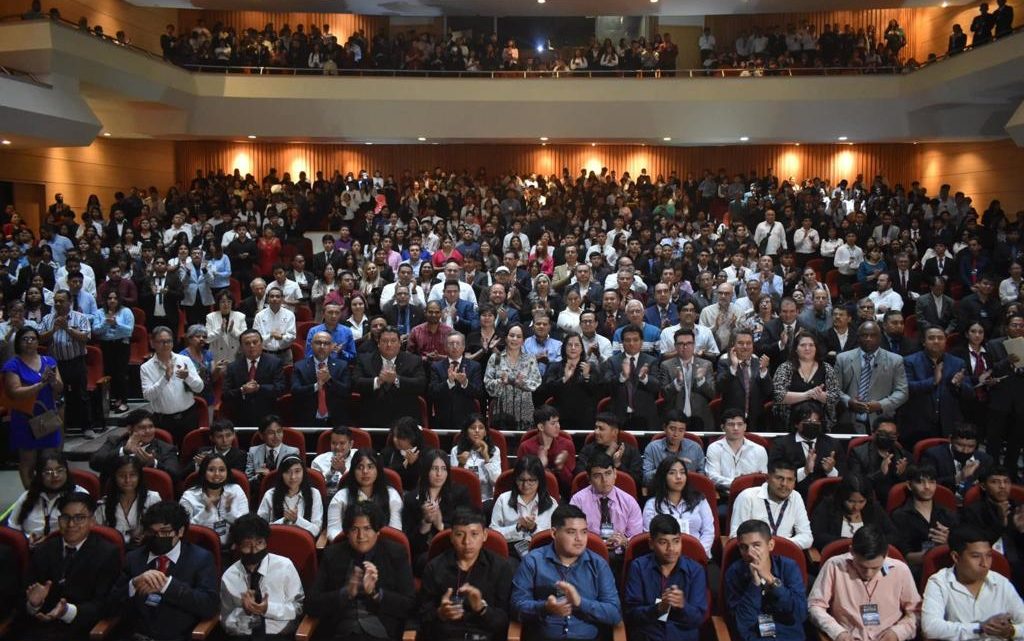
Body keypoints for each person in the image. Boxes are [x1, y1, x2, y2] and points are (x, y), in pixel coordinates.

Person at [306, 501, 416, 641]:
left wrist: (376, 594)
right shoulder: (332, 554)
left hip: (381, 632)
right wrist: (345, 593)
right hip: (339, 632)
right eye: (354, 529)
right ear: (346, 532)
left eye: (367, 528)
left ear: (378, 531)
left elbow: (410, 605)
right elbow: (311, 604)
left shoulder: (395, 553)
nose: (361, 536)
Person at [111, 501, 219, 641]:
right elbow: (109, 605)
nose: (158, 537)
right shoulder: (134, 558)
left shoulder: (201, 559)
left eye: (165, 532)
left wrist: (167, 586)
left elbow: (209, 606)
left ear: (179, 531)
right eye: (152, 532)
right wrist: (133, 584)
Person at [510, 504, 622, 639]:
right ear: (554, 533)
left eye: (584, 531)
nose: (579, 538)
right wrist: (545, 608)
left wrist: (580, 603)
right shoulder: (533, 561)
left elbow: (614, 614)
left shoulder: (598, 565)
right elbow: (516, 608)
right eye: (571, 532)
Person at [23, 491, 121, 641]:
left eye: (79, 518)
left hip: (80, 630)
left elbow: (105, 605)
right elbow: (22, 596)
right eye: (65, 517)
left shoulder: (107, 554)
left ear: (92, 521)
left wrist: (67, 611)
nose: (71, 524)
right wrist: (33, 604)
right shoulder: (44, 549)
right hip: (38, 628)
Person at [808, 525, 921, 641]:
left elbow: (915, 611)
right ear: (851, 551)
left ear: (886, 554)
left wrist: (898, 633)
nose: (868, 573)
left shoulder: (900, 570)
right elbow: (815, 606)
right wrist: (838, 632)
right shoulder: (834, 566)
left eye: (875, 568)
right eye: (862, 567)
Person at [419, 507, 515, 640]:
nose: (467, 542)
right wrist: (440, 614)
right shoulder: (434, 567)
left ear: (485, 535)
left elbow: (504, 621)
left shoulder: (501, 568)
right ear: (451, 536)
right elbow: (422, 616)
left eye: (474, 534)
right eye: (460, 534)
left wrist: (481, 608)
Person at [922, 524, 1024, 641]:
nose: (984, 563)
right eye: (976, 556)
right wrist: (980, 628)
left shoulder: (1001, 582)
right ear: (955, 557)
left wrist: (1012, 631)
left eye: (989, 556)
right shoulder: (939, 582)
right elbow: (930, 628)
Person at [624, 513, 709, 641]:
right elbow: (631, 614)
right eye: (663, 542)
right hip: (648, 635)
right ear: (651, 544)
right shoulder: (639, 567)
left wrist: (682, 606)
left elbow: (698, 619)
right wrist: (658, 609)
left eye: (676, 541)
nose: (671, 549)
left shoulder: (695, 571)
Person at [220, 514, 305, 639]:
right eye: (247, 545)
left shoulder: (285, 566)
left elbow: (299, 608)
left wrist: (267, 609)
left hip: (280, 636)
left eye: (259, 543)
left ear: (266, 541)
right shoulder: (229, 577)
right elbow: (225, 621)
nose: (254, 550)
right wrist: (245, 613)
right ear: (237, 546)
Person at [724, 518, 808, 641]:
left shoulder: (788, 567)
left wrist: (771, 579)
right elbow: (742, 623)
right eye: (743, 547)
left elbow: (800, 614)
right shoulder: (734, 572)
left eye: (756, 545)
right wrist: (755, 584)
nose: (749, 553)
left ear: (770, 545)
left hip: (789, 636)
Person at [3, 326, 63, 487]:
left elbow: (59, 388)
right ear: (19, 342)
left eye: (33, 338)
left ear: (38, 341)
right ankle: (30, 495)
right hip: (25, 418)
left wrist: (52, 381)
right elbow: (15, 392)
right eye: (25, 339)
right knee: (27, 461)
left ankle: (48, 492)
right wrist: (40, 384)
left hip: (47, 416)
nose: (29, 342)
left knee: (50, 460)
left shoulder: (48, 361)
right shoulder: (12, 365)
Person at [402, 449, 470, 573]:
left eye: (443, 469)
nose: (439, 474)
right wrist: (425, 523)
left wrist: (441, 526)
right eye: (434, 469)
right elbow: (410, 544)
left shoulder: (460, 494)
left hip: (454, 550)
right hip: (423, 555)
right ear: (426, 471)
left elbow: (466, 530)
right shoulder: (411, 499)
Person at [569, 451, 644, 564]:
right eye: (597, 475)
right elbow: (572, 534)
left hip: (621, 558)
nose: (604, 480)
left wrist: (624, 541)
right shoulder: (578, 501)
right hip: (587, 557)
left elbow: (636, 537)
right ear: (589, 479)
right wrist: (598, 544)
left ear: (615, 473)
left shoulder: (629, 502)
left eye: (608, 473)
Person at [835, 321, 909, 433]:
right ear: (858, 338)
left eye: (873, 335)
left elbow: (902, 392)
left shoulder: (895, 360)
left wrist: (881, 405)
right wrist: (848, 401)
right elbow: (834, 389)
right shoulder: (842, 358)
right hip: (848, 420)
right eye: (864, 335)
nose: (868, 338)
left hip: (881, 421)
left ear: (880, 338)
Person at [900, 328, 968, 447]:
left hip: (948, 425)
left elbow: (970, 393)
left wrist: (959, 385)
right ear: (924, 342)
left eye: (940, 338)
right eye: (931, 338)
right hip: (917, 424)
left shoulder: (958, 363)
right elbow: (906, 388)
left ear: (945, 341)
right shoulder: (909, 361)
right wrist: (933, 381)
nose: (936, 341)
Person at [39, 289, 93, 437]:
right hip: (56, 364)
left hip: (76, 361)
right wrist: (53, 330)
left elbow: (86, 337)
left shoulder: (80, 317)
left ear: (70, 302)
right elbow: (40, 339)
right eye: (56, 301)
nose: (58, 304)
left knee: (82, 395)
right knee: (56, 397)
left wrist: (67, 329)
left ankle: (86, 427)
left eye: (61, 301)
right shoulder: (47, 319)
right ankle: (59, 430)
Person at [960, 466, 1024, 587]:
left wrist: (1021, 531)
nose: (1002, 486)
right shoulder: (973, 511)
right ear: (983, 486)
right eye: (995, 482)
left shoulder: (1019, 510)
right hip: (986, 563)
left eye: (1006, 482)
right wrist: (1001, 523)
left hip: (1017, 564)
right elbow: (977, 544)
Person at [729, 459, 813, 550]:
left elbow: (807, 537)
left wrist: (779, 544)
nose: (784, 484)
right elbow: (735, 536)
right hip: (753, 554)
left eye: (790, 479)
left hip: (784, 554)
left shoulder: (796, 497)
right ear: (767, 478)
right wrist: (764, 546)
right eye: (779, 478)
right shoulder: (747, 497)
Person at [140, 325, 204, 444]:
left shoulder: (184, 360)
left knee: (190, 453)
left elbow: (199, 388)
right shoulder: (146, 368)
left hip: (188, 417)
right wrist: (165, 378)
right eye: (161, 341)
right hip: (163, 421)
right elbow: (148, 396)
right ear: (152, 343)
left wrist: (188, 377)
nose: (166, 345)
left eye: (169, 341)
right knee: (167, 457)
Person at [354, 325, 427, 428]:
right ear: (378, 343)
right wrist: (378, 381)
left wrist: (396, 380)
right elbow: (355, 382)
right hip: (372, 420)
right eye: (384, 341)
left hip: (405, 420)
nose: (389, 345)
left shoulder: (413, 360)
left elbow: (421, 384)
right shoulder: (364, 360)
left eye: (393, 341)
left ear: (399, 343)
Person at [643, 458, 715, 557]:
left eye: (682, 472)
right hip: (665, 558)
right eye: (672, 473)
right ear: (663, 477)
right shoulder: (652, 504)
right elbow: (650, 534)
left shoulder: (699, 500)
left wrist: (698, 552)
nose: (678, 477)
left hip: (698, 556)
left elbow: (708, 531)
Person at [809, 474, 901, 552]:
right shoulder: (828, 506)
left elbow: (893, 535)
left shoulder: (873, 508)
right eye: (851, 501)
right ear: (842, 496)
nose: (856, 507)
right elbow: (817, 536)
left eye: (861, 502)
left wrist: (871, 542)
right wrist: (851, 542)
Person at [9, 453, 87, 544]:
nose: (55, 475)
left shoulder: (79, 496)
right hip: (29, 547)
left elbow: (84, 531)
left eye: (59, 470)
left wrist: (50, 541)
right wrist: (26, 538)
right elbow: (13, 526)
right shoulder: (28, 496)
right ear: (39, 475)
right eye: (48, 472)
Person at [325, 448, 404, 539]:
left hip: (383, 547)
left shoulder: (392, 496)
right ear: (353, 471)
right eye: (360, 467)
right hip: (349, 546)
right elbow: (333, 531)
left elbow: (395, 532)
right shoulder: (340, 497)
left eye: (370, 467)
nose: (365, 471)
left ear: (378, 470)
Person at [490, 455, 558, 559]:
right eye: (521, 480)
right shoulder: (503, 499)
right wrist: (516, 528)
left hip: (542, 552)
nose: (525, 485)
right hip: (511, 551)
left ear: (540, 480)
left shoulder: (551, 503)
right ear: (515, 479)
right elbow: (493, 533)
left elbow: (556, 536)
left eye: (531, 480)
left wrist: (534, 528)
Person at [890, 464, 959, 566]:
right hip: (916, 569)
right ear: (909, 485)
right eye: (920, 482)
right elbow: (903, 556)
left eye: (931, 482)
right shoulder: (899, 516)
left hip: (947, 565)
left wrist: (949, 543)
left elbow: (962, 547)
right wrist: (935, 552)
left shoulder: (947, 514)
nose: (927, 487)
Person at [769, 401, 842, 498]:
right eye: (808, 422)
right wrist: (805, 471)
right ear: (796, 423)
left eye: (816, 422)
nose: (812, 425)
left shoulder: (832, 444)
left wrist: (830, 470)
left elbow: (844, 476)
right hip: (791, 495)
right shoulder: (781, 445)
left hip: (825, 498)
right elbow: (775, 474)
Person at [90, 408, 183, 483]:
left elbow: (176, 476)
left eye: (151, 426)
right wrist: (124, 451)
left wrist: (154, 463)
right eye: (142, 427)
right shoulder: (115, 441)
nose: (148, 431)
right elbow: (95, 463)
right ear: (130, 429)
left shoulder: (166, 448)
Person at [983, 312, 1024, 478]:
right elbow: (989, 370)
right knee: (994, 440)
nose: (1019, 328)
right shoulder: (994, 344)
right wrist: (1008, 360)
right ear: (1006, 327)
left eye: (1022, 325)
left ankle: (1011, 472)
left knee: (1016, 440)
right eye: (1015, 325)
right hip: (1000, 399)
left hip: (1021, 399)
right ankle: (991, 473)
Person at [772, 331, 840, 431]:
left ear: (816, 348)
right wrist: (807, 395)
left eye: (811, 345)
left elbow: (835, 397)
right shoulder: (785, 367)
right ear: (795, 348)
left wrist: (820, 396)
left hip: (820, 425)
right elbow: (778, 395)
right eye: (803, 345)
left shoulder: (826, 368)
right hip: (788, 424)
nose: (807, 348)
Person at [179, 452, 250, 545]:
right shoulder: (189, 496)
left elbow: (246, 525)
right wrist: (206, 512)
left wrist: (228, 511)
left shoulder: (236, 490)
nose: (217, 474)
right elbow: (184, 529)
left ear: (227, 472)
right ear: (204, 471)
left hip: (233, 546)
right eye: (211, 470)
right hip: (200, 546)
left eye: (221, 470)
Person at [601, 325, 662, 430]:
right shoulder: (613, 361)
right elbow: (606, 386)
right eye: (627, 340)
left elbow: (657, 387)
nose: (631, 343)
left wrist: (644, 378)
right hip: (619, 416)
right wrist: (622, 376)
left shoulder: (651, 361)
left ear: (641, 342)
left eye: (635, 340)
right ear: (622, 343)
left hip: (645, 416)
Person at [222, 329, 286, 429]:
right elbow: (225, 395)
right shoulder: (232, 367)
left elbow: (280, 389)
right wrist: (242, 390)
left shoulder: (275, 363)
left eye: (255, 342)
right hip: (241, 418)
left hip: (268, 419)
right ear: (241, 347)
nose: (251, 346)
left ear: (261, 344)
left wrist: (259, 388)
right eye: (247, 343)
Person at [484, 323, 542, 430]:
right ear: (506, 338)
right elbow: (488, 384)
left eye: (519, 336)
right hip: (502, 409)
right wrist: (501, 382)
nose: (515, 339)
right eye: (511, 335)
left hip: (525, 409)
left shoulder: (530, 359)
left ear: (523, 340)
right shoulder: (495, 358)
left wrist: (519, 383)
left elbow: (536, 382)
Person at [540, 333, 603, 431]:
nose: (573, 348)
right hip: (560, 418)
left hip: (585, 419)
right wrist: (564, 378)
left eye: (577, 345)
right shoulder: (555, 366)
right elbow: (547, 390)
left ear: (582, 349)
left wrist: (587, 377)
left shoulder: (590, 367)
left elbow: (598, 393)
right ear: (564, 348)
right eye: (569, 345)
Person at [96, 455, 162, 547]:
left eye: (132, 475)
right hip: (113, 551)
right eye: (122, 475)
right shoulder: (103, 505)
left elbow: (161, 528)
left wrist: (147, 535)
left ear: (139, 477)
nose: (127, 480)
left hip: (145, 549)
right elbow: (98, 535)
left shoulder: (152, 498)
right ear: (114, 477)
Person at [658, 328, 716, 432]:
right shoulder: (666, 365)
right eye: (681, 344)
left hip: (700, 420)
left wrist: (701, 380)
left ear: (694, 345)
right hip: (675, 421)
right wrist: (677, 383)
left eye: (689, 343)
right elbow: (664, 395)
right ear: (675, 346)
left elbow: (712, 394)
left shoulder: (706, 365)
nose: (685, 347)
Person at [291, 330, 352, 426]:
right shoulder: (299, 366)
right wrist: (316, 386)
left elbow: (347, 391)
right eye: (318, 343)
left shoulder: (342, 366)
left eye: (326, 343)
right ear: (311, 345)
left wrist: (329, 380)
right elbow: (295, 391)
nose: (322, 346)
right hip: (307, 420)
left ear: (332, 346)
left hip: (336, 422)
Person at [705, 409, 769, 499]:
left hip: (752, 497)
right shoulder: (714, 448)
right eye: (731, 424)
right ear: (722, 427)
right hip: (724, 496)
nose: (736, 428)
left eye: (740, 424)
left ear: (745, 427)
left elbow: (763, 478)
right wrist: (740, 483)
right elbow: (712, 477)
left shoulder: (759, 450)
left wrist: (740, 483)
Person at [256, 455, 324, 538]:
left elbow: (316, 530)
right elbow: (259, 528)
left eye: (297, 471)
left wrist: (297, 520)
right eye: (287, 472)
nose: (293, 477)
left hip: (303, 543)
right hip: (276, 540)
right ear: (281, 474)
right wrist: (283, 521)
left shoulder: (314, 493)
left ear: (303, 473)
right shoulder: (270, 494)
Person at [716, 330, 773, 430]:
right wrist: (733, 367)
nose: (745, 347)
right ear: (733, 345)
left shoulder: (758, 361)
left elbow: (768, 391)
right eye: (741, 343)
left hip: (756, 420)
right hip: (732, 421)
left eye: (748, 343)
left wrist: (764, 371)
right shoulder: (725, 361)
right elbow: (720, 388)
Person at [516, 405, 577, 497]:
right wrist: (540, 465)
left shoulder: (567, 445)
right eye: (553, 423)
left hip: (562, 494)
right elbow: (520, 479)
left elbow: (571, 483)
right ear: (541, 427)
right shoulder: (526, 447)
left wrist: (561, 467)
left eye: (558, 422)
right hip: (532, 495)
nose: (558, 426)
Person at [427, 332, 483, 430]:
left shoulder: (474, 366)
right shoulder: (436, 366)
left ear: (464, 347)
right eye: (451, 343)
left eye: (458, 343)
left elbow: (479, 393)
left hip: (467, 421)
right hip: (443, 420)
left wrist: (465, 383)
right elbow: (432, 392)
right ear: (445, 347)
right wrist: (449, 382)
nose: (454, 346)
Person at [848, 418, 912, 505]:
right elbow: (856, 484)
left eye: (891, 434)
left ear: (897, 436)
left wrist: (902, 474)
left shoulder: (904, 455)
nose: (887, 437)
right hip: (868, 501)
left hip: (899, 503)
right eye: (883, 433)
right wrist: (880, 473)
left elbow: (914, 483)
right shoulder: (858, 453)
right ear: (873, 433)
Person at [576, 412, 643, 492]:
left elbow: (637, 482)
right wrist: (607, 455)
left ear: (615, 432)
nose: (596, 432)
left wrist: (618, 465)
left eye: (601, 429)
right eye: (596, 428)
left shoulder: (631, 451)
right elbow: (580, 476)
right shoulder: (588, 450)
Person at [92, 290, 133, 414]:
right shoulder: (99, 312)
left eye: (115, 298)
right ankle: (111, 399)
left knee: (121, 373)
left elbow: (129, 331)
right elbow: (96, 330)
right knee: (108, 373)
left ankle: (123, 401)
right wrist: (106, 322)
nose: (112, 301)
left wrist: (116, 323)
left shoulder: (126, 311)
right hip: (105, 346)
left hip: (122, 345)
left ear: (119, 300)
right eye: (109, 298)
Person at [921, 425, 992, 497]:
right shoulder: (933, 455)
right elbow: (925, 483)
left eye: (971, 446)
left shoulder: (985, 459)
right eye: (960, 445)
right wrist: (959, 477)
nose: (965, 451)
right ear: (950, 440)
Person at [449, 413, 502, 503]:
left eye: (481, 428)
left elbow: (496, 481)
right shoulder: (456, 450)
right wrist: (461, 465)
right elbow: (454, 483)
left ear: (485, 432)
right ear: (466, 432)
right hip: (463, 499)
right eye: (473, 428)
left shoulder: (494, 451)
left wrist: (487, 459)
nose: (477, 431)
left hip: (486, 499)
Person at [643, 410, 706, 485]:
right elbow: (646, 478)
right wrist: (668, 466)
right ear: (664, 428)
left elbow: (702, 476)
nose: (676, 434)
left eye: (681, 430)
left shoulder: (695, 448)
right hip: (661, 490)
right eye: (672, 429)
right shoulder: (653, 448)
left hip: (689, 490)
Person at [244, 415, 301, 486]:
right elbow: (246, 481)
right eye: (271, 432)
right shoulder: (253, 451)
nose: (276, 436)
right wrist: (259, 477)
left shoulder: (293, 452)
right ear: (261, 435)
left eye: (279, 431)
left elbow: (295, 479)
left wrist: (271, 477)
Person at [380, 417, 426, 492]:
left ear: (412, 437)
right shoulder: (387, 453)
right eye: (394, 436)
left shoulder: (426, 454)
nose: (395, 440)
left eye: (400, 437)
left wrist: (414, 465)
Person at [311, 425, 356, 497]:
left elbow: (360, 484)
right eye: (334, 443)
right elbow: (317, 489)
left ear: (351, 444)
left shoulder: (359, 457)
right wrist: (332, 471)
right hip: (326, 500)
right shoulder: (318, 461)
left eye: (342, 443)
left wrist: (343, 470)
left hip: (353, 497)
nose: (337, 447)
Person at [205, 291, 246, 365]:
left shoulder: (240, 316)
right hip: (217, 355)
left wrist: (232, 331)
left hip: (234, 354)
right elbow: (207, 339)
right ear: (218, 303)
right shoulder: (210, 317)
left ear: (232, 303)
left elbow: (245, 338)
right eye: (223, 302)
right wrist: (220, 331)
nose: (226, 304)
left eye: (229, 301)